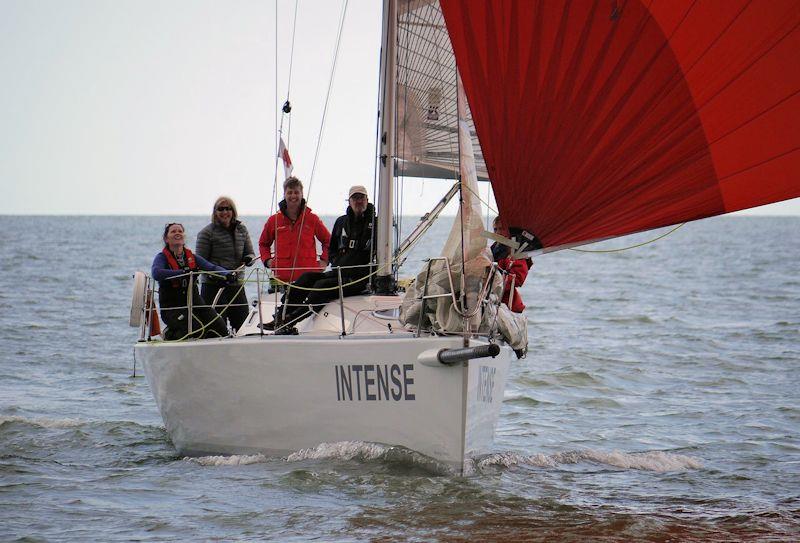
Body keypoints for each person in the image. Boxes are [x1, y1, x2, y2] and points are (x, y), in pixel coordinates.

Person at [266, 185, 376, 332]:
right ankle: (280, 316)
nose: (358, 201)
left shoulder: (376, 224)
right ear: (349, 201)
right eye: (355, 198)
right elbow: (332, 247)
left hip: (360, 278)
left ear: (367, 200)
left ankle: (291, 321)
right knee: (305, 279)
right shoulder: (341, 222)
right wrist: (335, 261)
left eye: (361, 198)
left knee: (322, 286)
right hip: (340, 271)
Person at [152, 223, 234, 340]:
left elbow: (212, 268)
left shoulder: (193, 258)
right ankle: (169, 335)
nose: (177, 233)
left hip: (196, 304)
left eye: (180, 231)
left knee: (220, 326)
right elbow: (156, 273)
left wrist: (228, 274)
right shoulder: (161, 258)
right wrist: (183, 272)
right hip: (172, 308)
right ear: (166, 238)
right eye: (173, 231)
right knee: (193, 327)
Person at [195, 196, 257, 332]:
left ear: (233, 211)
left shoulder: (242, 230)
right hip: (213, 287)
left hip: (236, 286)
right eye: (220, 209)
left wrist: (248, 259)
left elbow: (251, 254)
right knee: (215, 330)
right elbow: (199, 263)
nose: (225, 212)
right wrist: (219, 275)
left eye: (228, 208)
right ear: (215, 212)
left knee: (242, 328)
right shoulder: (206, 233)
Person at [258, 177, 331, 284]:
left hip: (309, 278)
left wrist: (324, 260)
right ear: (284, 195)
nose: (293, 196)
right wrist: (268, 261)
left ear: (302, 194)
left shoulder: (312, 219)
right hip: (282, 279)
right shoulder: (274, 220)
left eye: (296, 192)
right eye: (289, 192)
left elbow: (328, 241)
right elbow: (263, 244)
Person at [491, 216, 530, 313]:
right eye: (495, 229)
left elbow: (518, 279)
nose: (498, 233)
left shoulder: (515, 251)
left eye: (501, 229)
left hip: (509, 306)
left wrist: (495, 284)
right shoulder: (493, 249)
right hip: (491, 301)